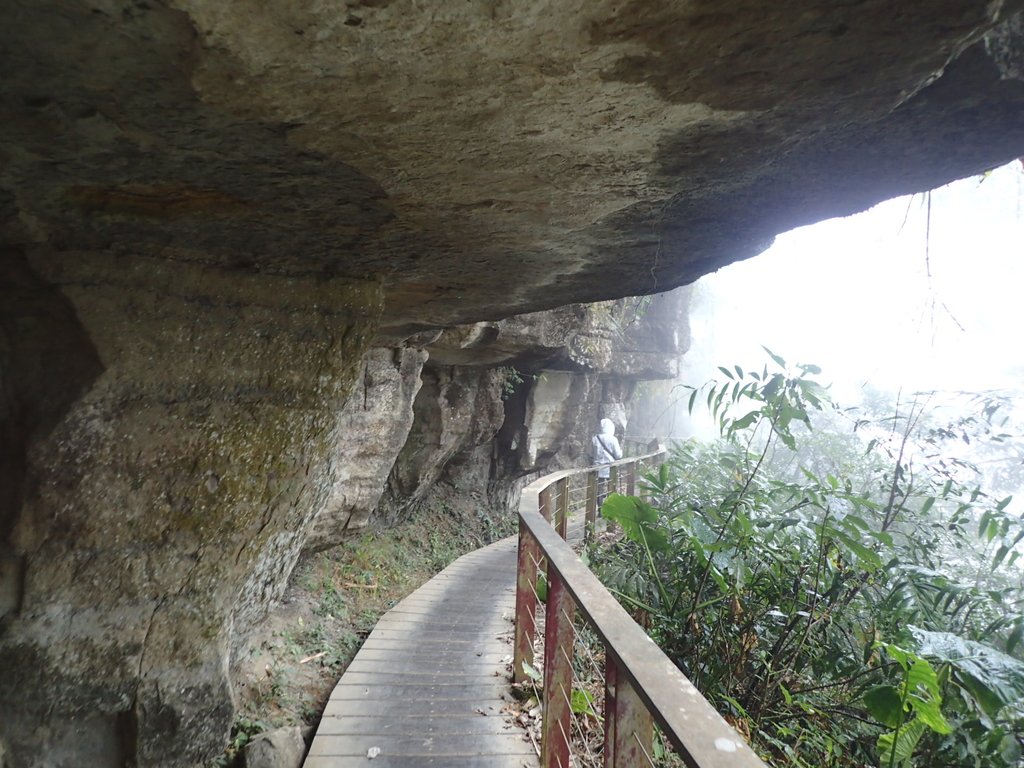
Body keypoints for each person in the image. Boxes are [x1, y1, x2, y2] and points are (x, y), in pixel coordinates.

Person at [591, 418, 622, 506]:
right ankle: (610, 508)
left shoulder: (595, 439)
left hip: (597, 468)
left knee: (599, 490)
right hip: (610, 468)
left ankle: (600, 509)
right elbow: (618, 455)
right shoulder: (613, 439)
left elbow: (590, 454)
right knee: (611, 488)